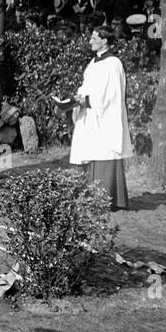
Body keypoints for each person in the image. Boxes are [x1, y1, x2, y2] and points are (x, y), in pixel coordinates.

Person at [64, 25, 133, 210]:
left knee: (104, 151)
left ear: (105, 40)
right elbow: (87, 86)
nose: (90, 41)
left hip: (105, 117)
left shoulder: (113, 63)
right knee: (89, 150)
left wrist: (87, 100)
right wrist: (77, 98)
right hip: (90, 114)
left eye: (94, 38)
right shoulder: (93, 63)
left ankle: (107, 197)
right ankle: (89, 196)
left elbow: (112, 94)